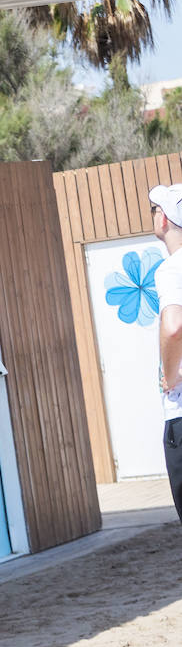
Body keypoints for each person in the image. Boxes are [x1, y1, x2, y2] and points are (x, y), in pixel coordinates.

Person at [148, 184, 182, 522]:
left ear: (165, 219)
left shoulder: (172, 269)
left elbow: (173, 327)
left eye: (154, 209)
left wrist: (169, 376)